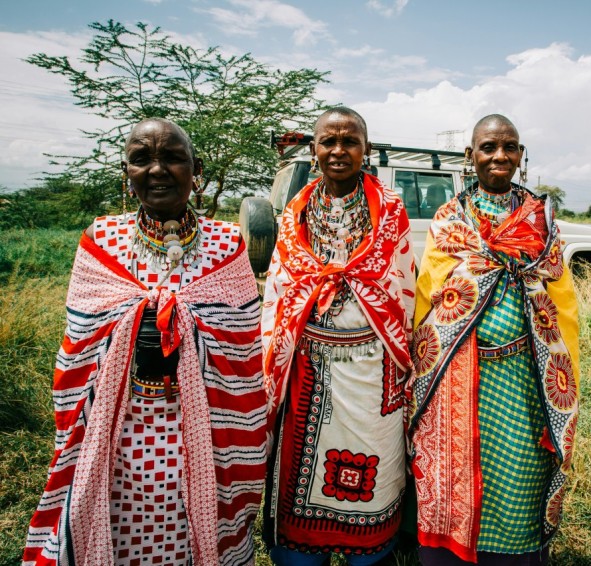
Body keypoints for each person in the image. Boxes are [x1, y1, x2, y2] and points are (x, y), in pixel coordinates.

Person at [23, 118, 268, 565]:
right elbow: (78, 341)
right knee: (119, 529)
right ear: (126, 172)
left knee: (196, 533)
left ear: (197, 168)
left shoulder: (227, 244)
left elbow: (244, 350)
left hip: (208, 435)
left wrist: (181, 323)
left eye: (172, 157)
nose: (157, 170)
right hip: (117, 431)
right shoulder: (101, 240)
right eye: (142, 159)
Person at [408, 114, 580, 565]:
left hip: (524, 379)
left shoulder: (541, 220)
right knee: (454, 475)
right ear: (471, 156)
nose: (499, 156)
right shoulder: (450, 220)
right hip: (457, 380)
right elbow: (428, 297)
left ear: (521, 156)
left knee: (519, 478)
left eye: (510, 147)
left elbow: (562, 304)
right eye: (489, 147)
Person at [261, 107, 415, 565]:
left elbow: (402, 293)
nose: (338, 150)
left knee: (376, 477)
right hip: (306, 369)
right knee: (296, 487)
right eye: (328, 141)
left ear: (365, 150)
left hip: (374, 375)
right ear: (314, 149)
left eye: (349, 141)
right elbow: (281, 290)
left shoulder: (391, 212)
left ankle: (370, 549)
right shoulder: (295, 215)